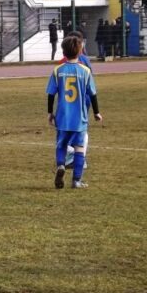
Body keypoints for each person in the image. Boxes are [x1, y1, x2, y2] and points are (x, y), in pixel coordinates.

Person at [47, 35, 102, 189]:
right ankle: (76, 180)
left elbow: (51, 94)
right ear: (80, 51)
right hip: (80, 117)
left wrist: (50, 112)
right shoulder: (85, 71)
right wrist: (97, 112)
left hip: (63, 116)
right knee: (79, 147)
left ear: (63, 52)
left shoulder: (58, 70)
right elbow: (92, 94)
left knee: (61, 145)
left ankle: (61, 165)